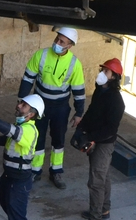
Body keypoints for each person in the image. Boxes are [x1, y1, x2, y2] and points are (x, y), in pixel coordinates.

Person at [17, 27, 86, 190]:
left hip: (60, 107)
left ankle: (56, 171)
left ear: (69, 46)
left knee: (58, 140)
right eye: (57, 39)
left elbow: (78, 91)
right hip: (39, 105)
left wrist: (79, 112)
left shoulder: (74, 64)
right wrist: (21, 101)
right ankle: (35, 170)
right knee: (37, 137)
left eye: (62, 42)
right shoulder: (41, 55)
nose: (57, 43)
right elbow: (28, 79)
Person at [74, 58, 125, 220]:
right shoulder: (99, 91)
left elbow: (110, 129)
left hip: (104, 143)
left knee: (96, 181)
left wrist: (91, 138)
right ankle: (104, 210)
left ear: (114, 77)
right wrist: (81, 128)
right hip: (94, 138)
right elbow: (92, 111)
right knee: (104, 176)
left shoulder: (116, 101)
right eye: (102, 70)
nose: (102, 74)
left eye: (106, 71)